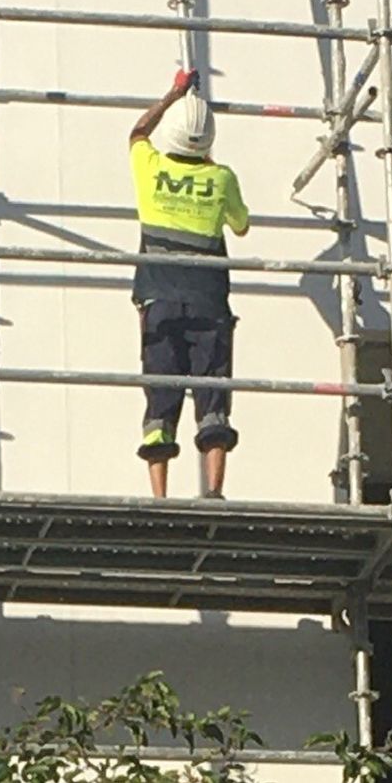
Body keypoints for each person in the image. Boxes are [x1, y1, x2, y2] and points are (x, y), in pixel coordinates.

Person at [128, 69, 248, 498]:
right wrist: (210, 169)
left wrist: (172, 94)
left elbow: (138, 132)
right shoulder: (222, 178)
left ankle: (159, 496)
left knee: (161, 396)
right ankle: (213, 491)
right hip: (208, 304)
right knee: (213, 394)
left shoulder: (150, 168)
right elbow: (241, 225)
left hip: (158, 302)